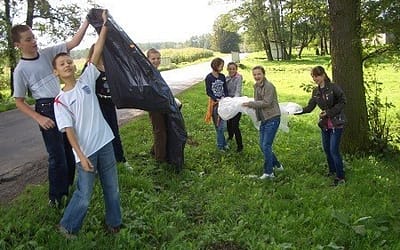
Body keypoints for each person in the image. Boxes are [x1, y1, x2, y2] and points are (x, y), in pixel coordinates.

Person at [53, 10, 122, 236]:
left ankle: (114, 224)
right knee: (84, 193)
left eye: (69, 61)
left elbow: (98, 50)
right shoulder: (60, 100)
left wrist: (104, 26)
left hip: (105, 143)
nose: (67, 65)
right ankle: (67, 227)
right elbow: (69, 132)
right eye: (62, 64)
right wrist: (81, 156)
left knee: (112, 190)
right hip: (86, 152)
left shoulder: (87, 79)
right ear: (56, 72)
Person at [11, 17, 90, 207]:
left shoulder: (47, 54)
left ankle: (68, 188)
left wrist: (87, 22)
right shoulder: (20, 70)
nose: (34, 42)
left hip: (62, 103)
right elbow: (19, 101)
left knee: (70, 151)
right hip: (46, 109)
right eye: (28, 39)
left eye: (34, 37)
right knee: (57, 156)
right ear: (18, 45)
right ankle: (55, 197)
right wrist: (39, 118)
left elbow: (74, 42)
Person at [296, 66, 346, 186]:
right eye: (313, 76)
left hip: (337, 123)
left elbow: (343, 101)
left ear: (323, 75)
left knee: (334, 150)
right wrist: (296, 111)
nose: (315, 78)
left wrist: (329, 112)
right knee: (327, 149)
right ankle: (332, 171)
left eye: (317, 76)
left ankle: (340, 177)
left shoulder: (334, 87)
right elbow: (309, 108)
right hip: (325, 125)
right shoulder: (316, 91)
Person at [84, 44, 130, 169]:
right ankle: (101, 164)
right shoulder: (89, 68)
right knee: (101, 134)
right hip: (97, 106)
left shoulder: (109, 67)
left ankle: (121, 159)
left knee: (114, 132)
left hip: (110, 104)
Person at [243, 66, 283, 179]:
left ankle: (268, 172)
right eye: (254, 75)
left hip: (273, 118)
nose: (257, 77)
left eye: (259, 74)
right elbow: (257, 102)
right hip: (264, 119)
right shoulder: (256, 86)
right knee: (263, 145)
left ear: (263, 74)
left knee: (266, 145)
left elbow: (266, 103)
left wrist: (250, 104)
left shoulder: (269, 86)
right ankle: (277, 165)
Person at [146, 48, 168, 162]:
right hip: (154, 106)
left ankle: (154, 150)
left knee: (162, 129)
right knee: (159, 131)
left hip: (160, 104)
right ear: (148, 59)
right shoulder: (148, 73)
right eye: (153, 58)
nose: (156, 61)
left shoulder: (156, 72)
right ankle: (160, 158)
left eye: (158, 58)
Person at [204, 57, 229, 151]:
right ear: (215, 65)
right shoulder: (209, 78)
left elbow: (225, 89)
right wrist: (216, 99)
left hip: (223, 103)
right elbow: (208, 92)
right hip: (214, 104)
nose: (222, 67)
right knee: (218, 126)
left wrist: (225, 98)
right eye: (221, 65)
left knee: (223, 125)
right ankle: (220, 145)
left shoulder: (222, 76)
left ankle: (223, 143)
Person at [225, 62, 243, 152]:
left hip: (236, 102)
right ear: (227, 69)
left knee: (235, 125)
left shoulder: (239, 77)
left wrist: (234, 101)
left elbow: (238, 91)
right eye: (230, 69)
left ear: (236, 69)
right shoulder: (226, 78)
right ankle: (230, 136)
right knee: (228, 122)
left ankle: (240, 146)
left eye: (233, 69)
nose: (232, 70)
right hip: (228, 102)